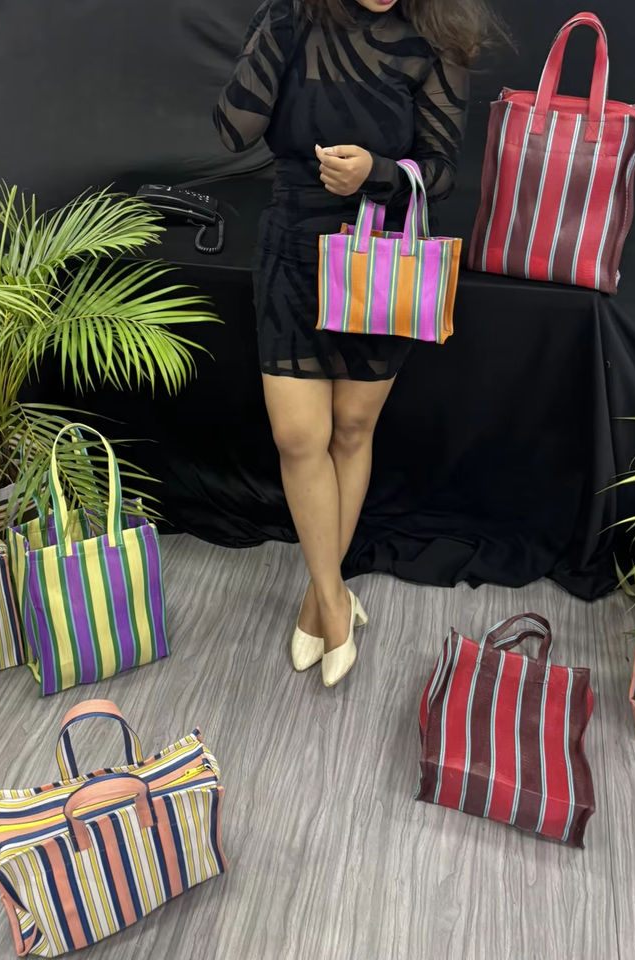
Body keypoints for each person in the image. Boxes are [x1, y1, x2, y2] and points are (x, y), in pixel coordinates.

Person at [214, 0, 500, 686]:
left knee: (349, 429)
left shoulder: (433, 38)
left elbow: (442, 171)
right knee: (297, 437)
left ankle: (318, 599)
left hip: (380, 258)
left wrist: (377, 171)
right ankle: (336, 602)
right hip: (292, 252)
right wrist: (278, 26)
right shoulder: (289, 20)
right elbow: (233, 129)